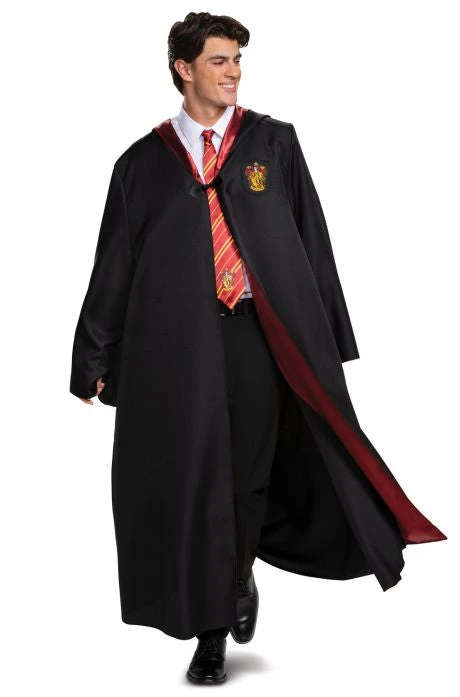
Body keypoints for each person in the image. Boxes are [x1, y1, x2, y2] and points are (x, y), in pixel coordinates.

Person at [69, 11, 447, 685]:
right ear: (184, 69)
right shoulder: (141, 164)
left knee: (246, 474)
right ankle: (210, 625)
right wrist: (92, 356)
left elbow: (310, 240)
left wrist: (329, 337)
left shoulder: (272, 143)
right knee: (195, 477)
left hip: (258, 337)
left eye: (238, 59)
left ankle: (235, 580)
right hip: (176, 348)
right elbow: (115, 264)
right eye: (219, 60)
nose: (234, 72)